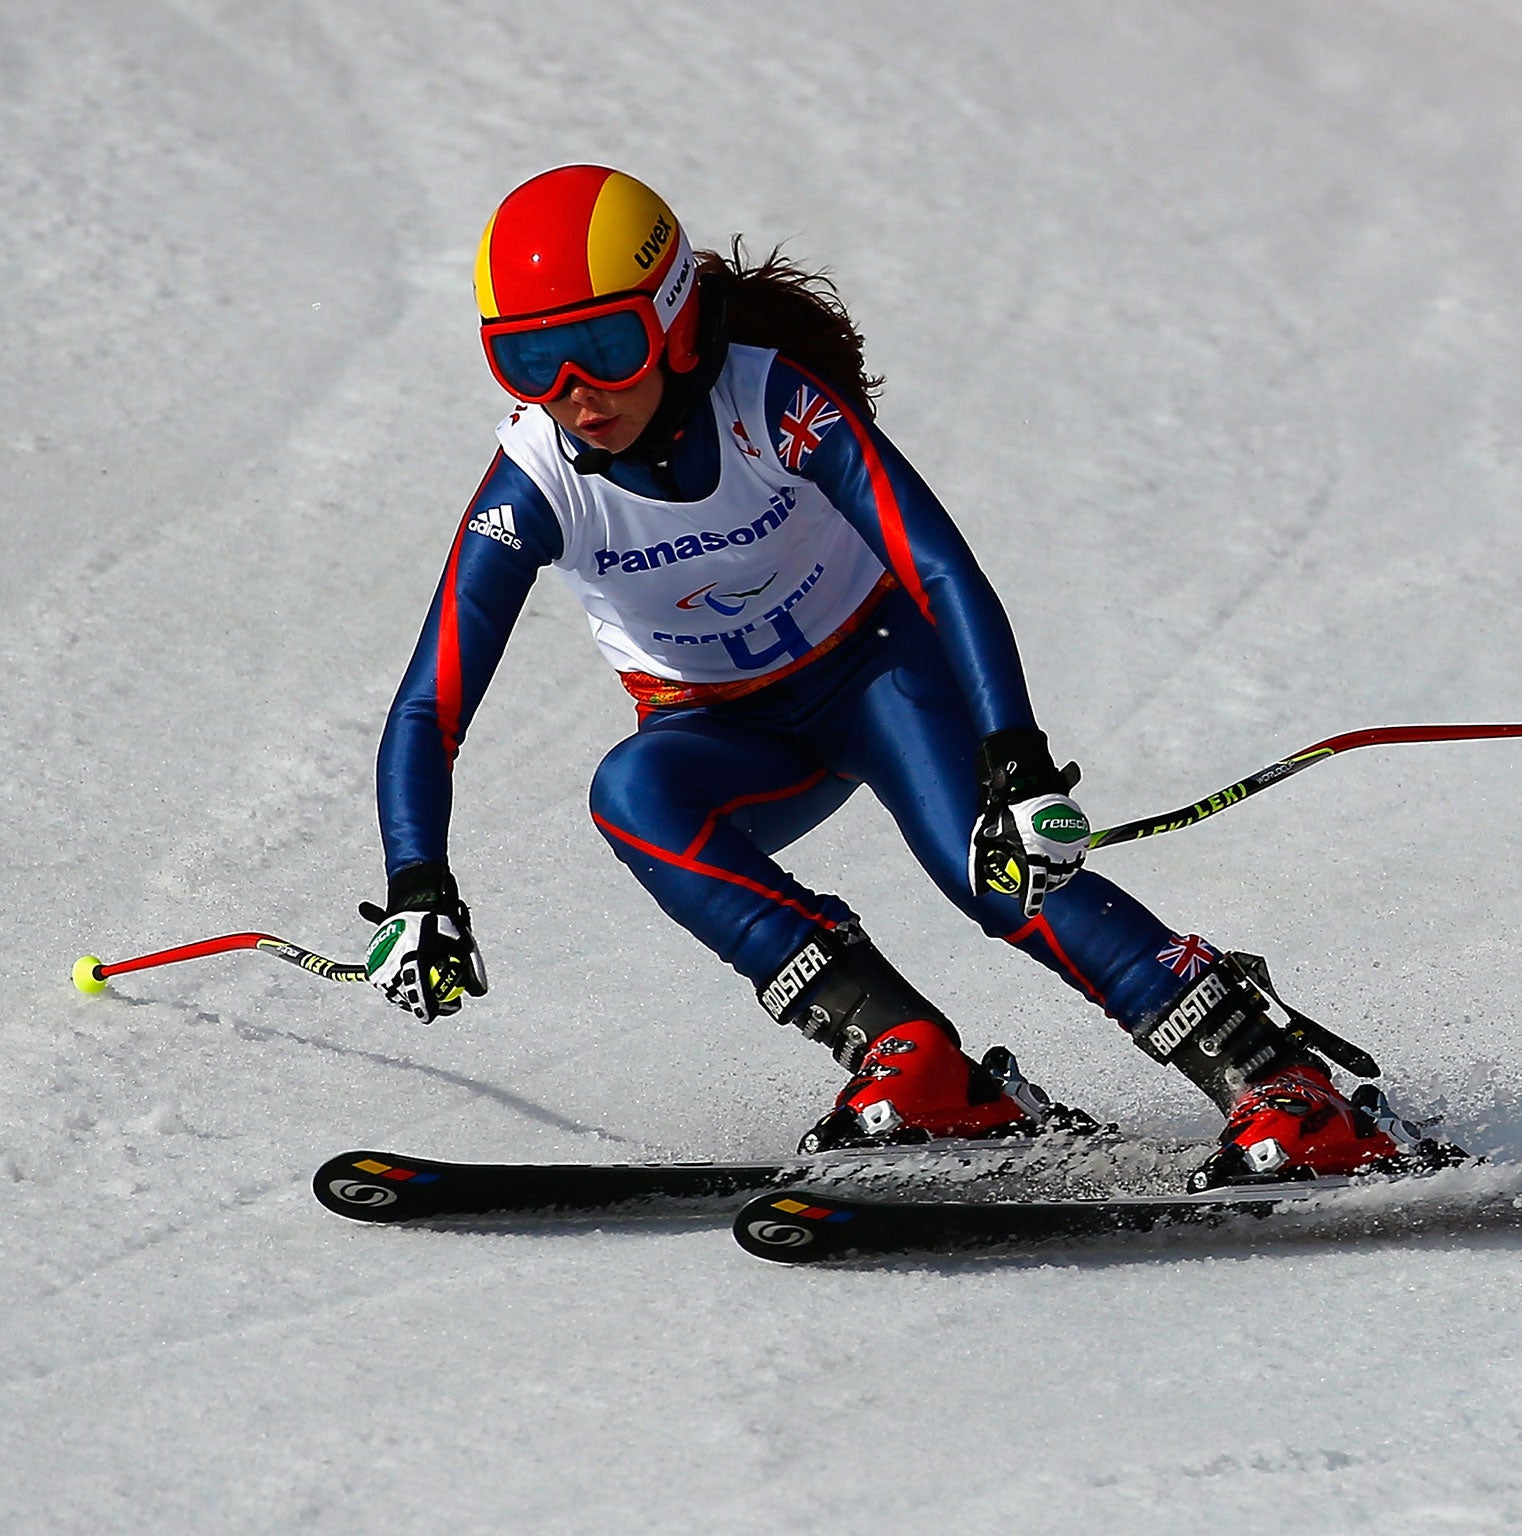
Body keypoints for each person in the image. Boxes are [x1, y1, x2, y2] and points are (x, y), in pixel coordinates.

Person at [362, 163, 1444, 1185]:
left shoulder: (772, 404)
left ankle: (1281, 1086)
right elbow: (430, 705)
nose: (575, 394)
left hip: (880, 679)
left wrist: (1017, 766)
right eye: (529, 363)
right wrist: (419, 889)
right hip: (731, 739)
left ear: (677, 320)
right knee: (632, 794)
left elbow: (936, 566)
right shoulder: (535, 482)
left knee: (993, 874)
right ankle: (914, 1064)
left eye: (603, 344)